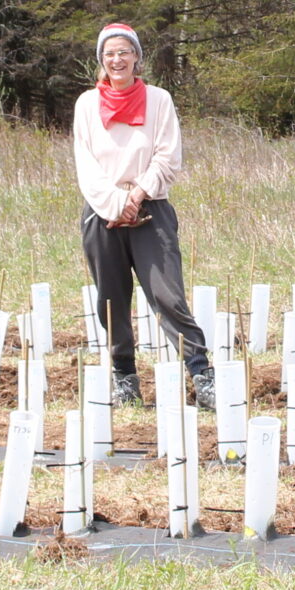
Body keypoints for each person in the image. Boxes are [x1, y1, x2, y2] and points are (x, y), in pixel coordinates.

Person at [73, 23, 215, 409]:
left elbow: (168, 157)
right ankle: (125, 377)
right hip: (103, 213)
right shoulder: (86, 104)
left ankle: (201, 374)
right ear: (101, 60)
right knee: (111, 300)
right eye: (109, 54)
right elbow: (86, 164)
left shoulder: (159, 100)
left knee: (168, 295)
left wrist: (136, 196)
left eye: (124, 52)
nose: (117, 60)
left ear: (136, 56)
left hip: (151, 209)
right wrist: (116, 205)